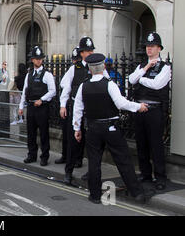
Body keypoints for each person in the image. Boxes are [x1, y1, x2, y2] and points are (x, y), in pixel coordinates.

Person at [73, 53, 152, 204]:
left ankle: (95, 195)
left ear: (89, 69)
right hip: (111, 127)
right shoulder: (109, 84)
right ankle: (137, 193)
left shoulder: (84, 86)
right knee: (123, 160)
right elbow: (121, 103)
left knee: (94, 162)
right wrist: (139, 107)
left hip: (93, 128)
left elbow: (78, 109)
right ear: (103, 67)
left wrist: (77, 128)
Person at [59, 36, 110, 184]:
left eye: (91, 50)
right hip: (77, 110)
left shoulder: (98, 67)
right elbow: (66, 88)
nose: (90, 53)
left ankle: (92, 172)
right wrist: (63, 105)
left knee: (93, 145)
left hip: (93, 111)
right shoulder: (74, 69)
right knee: (73, 144)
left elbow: (108, 84)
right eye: (87, 51)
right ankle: (68, 172)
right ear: (81, 53)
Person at [128, 32, 171, 191]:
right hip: (139, 109)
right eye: (147, 46)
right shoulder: (141, 66)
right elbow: (130, 80)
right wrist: (145, 69)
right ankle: (145, 174)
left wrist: (141, 78)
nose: (149, 49)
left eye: (152, 46)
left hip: (154, 110)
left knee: (156, 145)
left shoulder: (165, 67)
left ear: (159, 48)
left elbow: (158, 85)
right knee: (141, 144)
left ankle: (160, 176)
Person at [19, 46, 56, 166]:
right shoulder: (29, 74)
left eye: (40, 58)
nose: (39, 61)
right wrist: (21, 106)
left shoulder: (47, 75)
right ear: (32, 60)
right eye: (36, 58)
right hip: (31, 106)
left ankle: (44, 157)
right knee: (31, 133)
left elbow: (53, 91)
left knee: (44, 133)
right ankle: (32, 155)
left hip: (42, 107)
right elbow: (25, 91)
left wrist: (42, 99)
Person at [55, 46, 81, 164]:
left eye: (77, 59)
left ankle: (78, 159)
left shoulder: (85, 69)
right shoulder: (72, 69)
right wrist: (63, 105)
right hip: (71, 105)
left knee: (80, 135)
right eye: (74, 59)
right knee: (67, 133)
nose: (75, 62)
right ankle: (65, 155)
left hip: (81, 107)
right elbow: (64, 85)